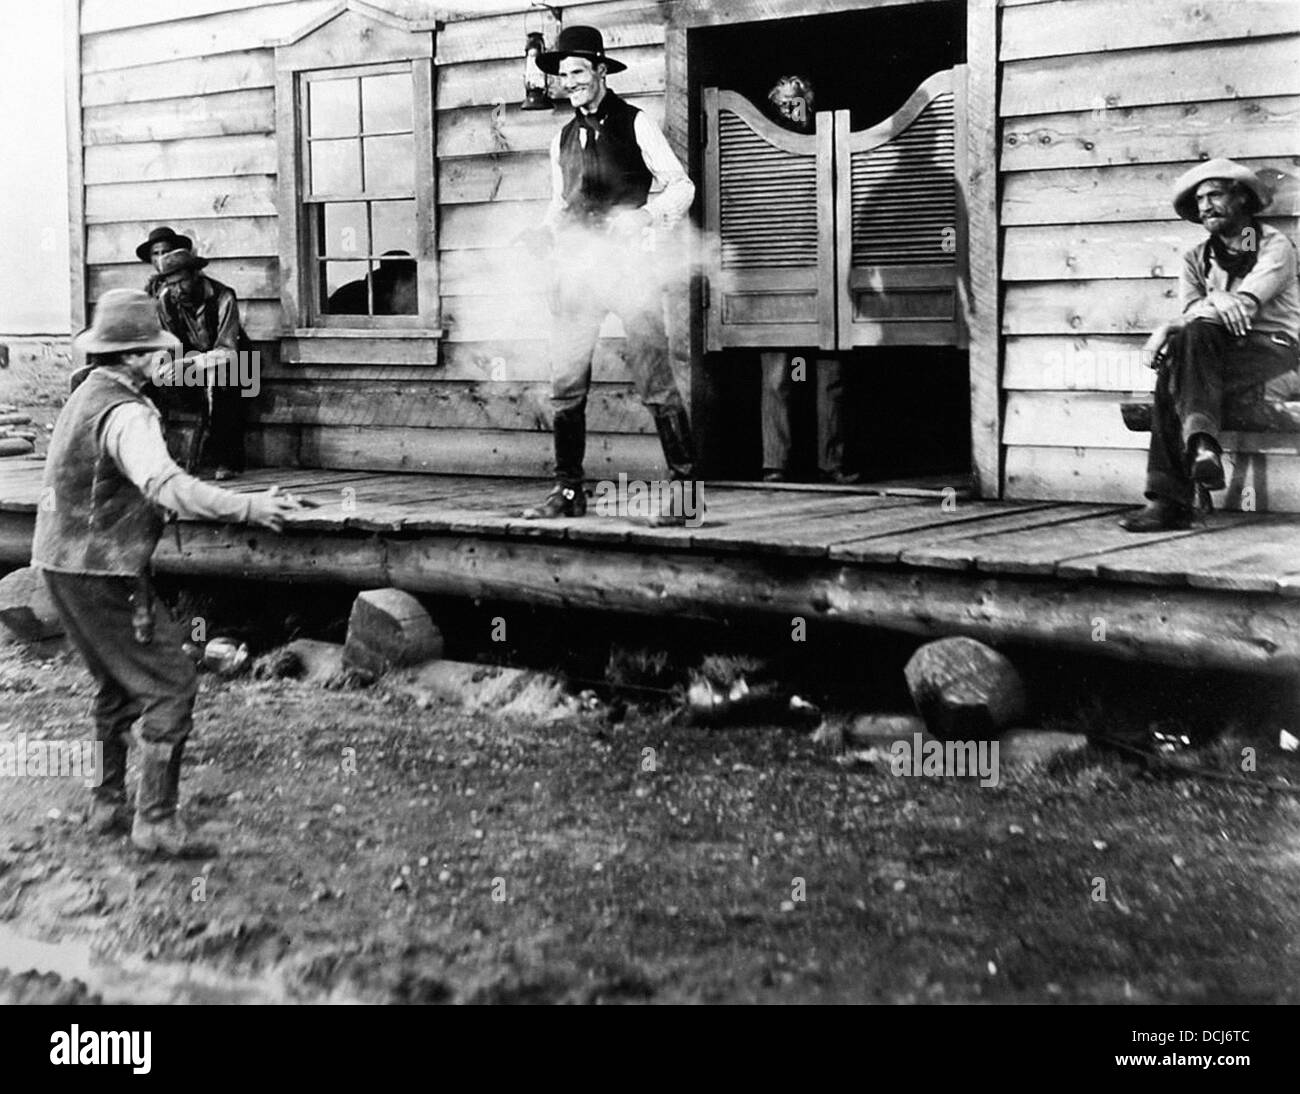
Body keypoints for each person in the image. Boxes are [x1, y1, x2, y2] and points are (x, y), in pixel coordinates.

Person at [31, 290, 303, 857]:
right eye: (155, 351)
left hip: (59, 561)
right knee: (172, 682)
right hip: (101, 568)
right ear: (133, 356)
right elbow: (166, 486)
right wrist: (250, 508)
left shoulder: (87, 393)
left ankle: (108, 804)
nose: (164, 360)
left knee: (115, 682)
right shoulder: (128, 413)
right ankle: (154, 822)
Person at [520, 25, 700, 524]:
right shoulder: (561, 138)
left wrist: (645, 216)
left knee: (656, 383)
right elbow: (561, 203)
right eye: (562, 75)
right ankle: (568, 493)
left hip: (628, 269)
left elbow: (680, 187)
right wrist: (542, 232)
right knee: (566, 383)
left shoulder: (637, 123)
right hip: (578, 270)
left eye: (578, 71)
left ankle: (687, 498)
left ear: (601, 70)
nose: (570, 82)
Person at [1119, 158, 1300, 531]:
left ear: (1242, 201)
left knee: (1176, 367)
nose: (1205, 206)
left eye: (1215, 195)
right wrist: (1211, 303)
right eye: (1199, 200)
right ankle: (1202, 447)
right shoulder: (1197, 258)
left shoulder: (1270, 244)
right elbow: (1195, 314)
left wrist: (1174, 323)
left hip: (1272, 350)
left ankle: (1169, 501)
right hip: (1211, 356)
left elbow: (1245, 306)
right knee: (1187, 347)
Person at [759, 76, 858, 485]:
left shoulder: (832, 150)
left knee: (828, 375)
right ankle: (777, 464)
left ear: (809, 105)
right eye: (780, 106)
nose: (788, 112)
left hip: (829, 283)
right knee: (781, 374)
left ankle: (831, 463)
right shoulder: (762, 155)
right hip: (782, 284)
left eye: (794, 104)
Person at [151, 246, 248, 480]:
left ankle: (227, 461)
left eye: (181, 282)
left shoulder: (223, 296)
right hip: (190, 365)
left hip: (239, 364)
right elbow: (167, 343)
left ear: (196, 275)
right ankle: (160, 456)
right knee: (153, 382)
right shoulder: (166, 302)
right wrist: (167, 367)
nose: (176, 289)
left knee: (227, 380)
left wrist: (189, 364)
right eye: (170, 284)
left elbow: (228, 350)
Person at [136, 225, 192, 296]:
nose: (161, 258)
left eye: (165, 252)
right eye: (156, 253)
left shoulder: (190, 279)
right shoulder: (153, 287)